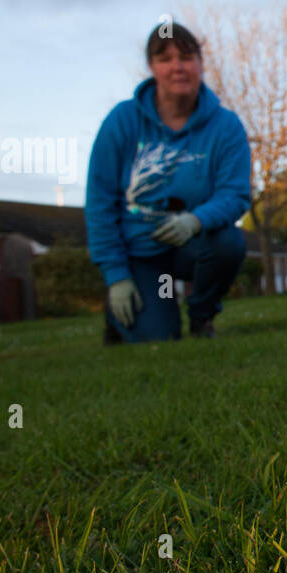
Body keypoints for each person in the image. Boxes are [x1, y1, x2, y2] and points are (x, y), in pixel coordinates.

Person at [86, 22, 251, 343]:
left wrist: (196, 220)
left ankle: (202, 316)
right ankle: (125, 313)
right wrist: (115, 275)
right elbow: (100, 202)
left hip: (191, 245)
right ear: (151, 67)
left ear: (201, 64)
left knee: (228, 243)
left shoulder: (226, 126)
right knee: (158, 338)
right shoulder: (121, 121)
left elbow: (235, 194)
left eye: (186, 57)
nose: (177, 67)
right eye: (165, 58)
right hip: (141, 252)